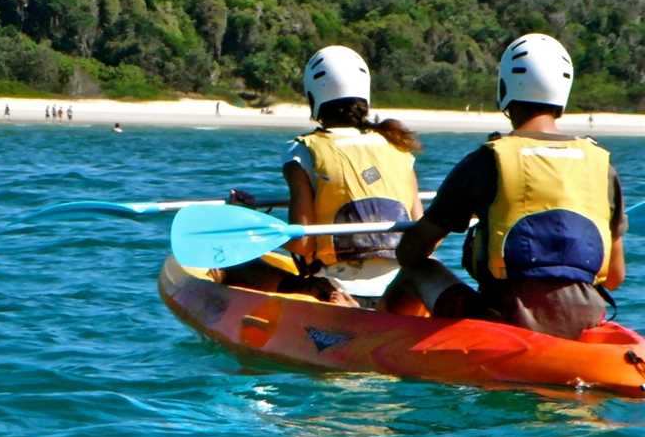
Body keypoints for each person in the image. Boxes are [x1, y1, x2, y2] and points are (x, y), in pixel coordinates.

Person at [385, 33, 626, 338]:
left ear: (504, 88)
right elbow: (615, 276)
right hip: (585, 324)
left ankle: (378, 337)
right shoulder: (602, 164)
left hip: (504, 323)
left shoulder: (488, 160)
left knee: (417, 270)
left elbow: (412, 251)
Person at [221, 45, 423, 303]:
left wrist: (247, 220)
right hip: (399, 290)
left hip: (337, 290)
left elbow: (302, 244)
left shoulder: (303, 152)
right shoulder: (398, 147)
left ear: (313, 98)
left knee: (235, 267)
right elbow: (424, 233)